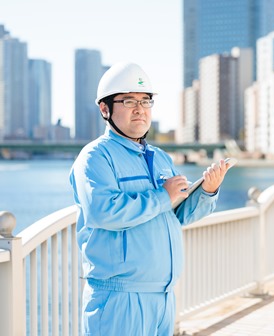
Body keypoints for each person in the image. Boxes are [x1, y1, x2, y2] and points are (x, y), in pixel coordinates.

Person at [69, 62, 230, 335]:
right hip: (119, 297)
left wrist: (207, 191)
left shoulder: (160, 158)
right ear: (105, 109)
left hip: (163, 295)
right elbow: (103, 211)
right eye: (128, 100)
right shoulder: (95, 157)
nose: (139, 108)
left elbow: (177, 214)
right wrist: (161, 196)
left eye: (146, 101)